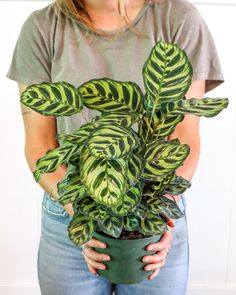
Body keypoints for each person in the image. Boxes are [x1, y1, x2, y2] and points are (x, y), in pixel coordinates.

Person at [7, 0, 224, 294]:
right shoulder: (44, 27)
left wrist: (163, 211)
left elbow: (184, 135)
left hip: (155, 211)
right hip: (70, 209)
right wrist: (82, 215)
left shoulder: (179, 19)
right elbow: (40, 143)